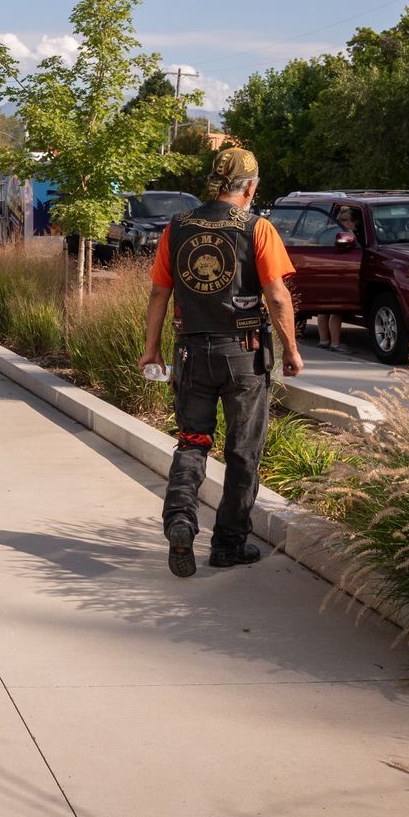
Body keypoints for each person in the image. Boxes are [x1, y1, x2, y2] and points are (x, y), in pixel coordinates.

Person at [139, 146, 303, 578]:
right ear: (248, 188)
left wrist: (151, 349)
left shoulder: (176, 228)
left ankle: (180, 520)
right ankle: (229, 545)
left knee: (192, 442)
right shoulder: (257, 229)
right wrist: (291, 349)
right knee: (243, 451)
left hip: (191, 353)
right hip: (243, 354)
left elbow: (159, 293)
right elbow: (276, 295)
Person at [314, 206, 359, 350]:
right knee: (336, 310)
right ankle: (336, 343)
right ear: (348, 221)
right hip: (337, 274)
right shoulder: (348, 234)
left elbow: (311, 243)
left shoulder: (323, 231)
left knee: (323, 309)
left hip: (319, 273)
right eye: (353, 221)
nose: (355, 224)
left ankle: (324, 341)